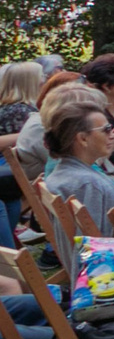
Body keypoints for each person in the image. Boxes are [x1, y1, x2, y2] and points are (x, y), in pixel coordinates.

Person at [40, 95, 114, 234]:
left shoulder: (65, 172)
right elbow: (94, 245)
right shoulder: (88, 184)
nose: (112, 134)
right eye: (106, 129)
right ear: (83, 139)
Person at [0, 60, 41, 240]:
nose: (45, 80)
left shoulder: (13, 108)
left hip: (9, 179)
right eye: (42, 77)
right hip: (8, 173)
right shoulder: (21, 111)